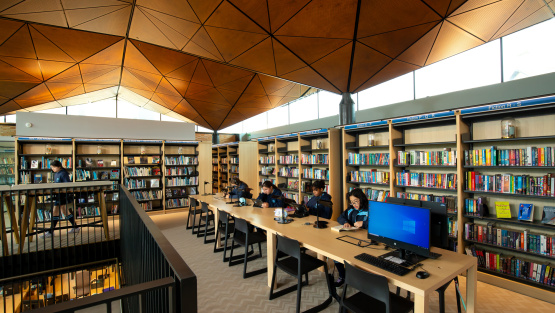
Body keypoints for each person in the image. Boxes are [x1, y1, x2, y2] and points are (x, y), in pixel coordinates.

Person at [333, 188, 369, 287]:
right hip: (351, 238)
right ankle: (342, 276)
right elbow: (340, 217)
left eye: (356, 201)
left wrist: (364, 223)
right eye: (352, 202)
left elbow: (378, 224)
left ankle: (361, 280)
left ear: (361, 199)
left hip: (365, 242)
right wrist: (345, 222)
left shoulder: (370, 209)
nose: (354, 204)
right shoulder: (351, 209)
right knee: (336, 254)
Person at [40, 160, 80, 238]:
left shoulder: (63, 174)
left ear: (59, 167)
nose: (52, 169)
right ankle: (75, 227)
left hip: (62, 196)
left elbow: (67, 185)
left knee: (55, 212)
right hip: (59, 195)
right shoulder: (56, 174)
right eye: (51, 167)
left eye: (53, 167)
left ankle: (51, 232)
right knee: (65, 211)